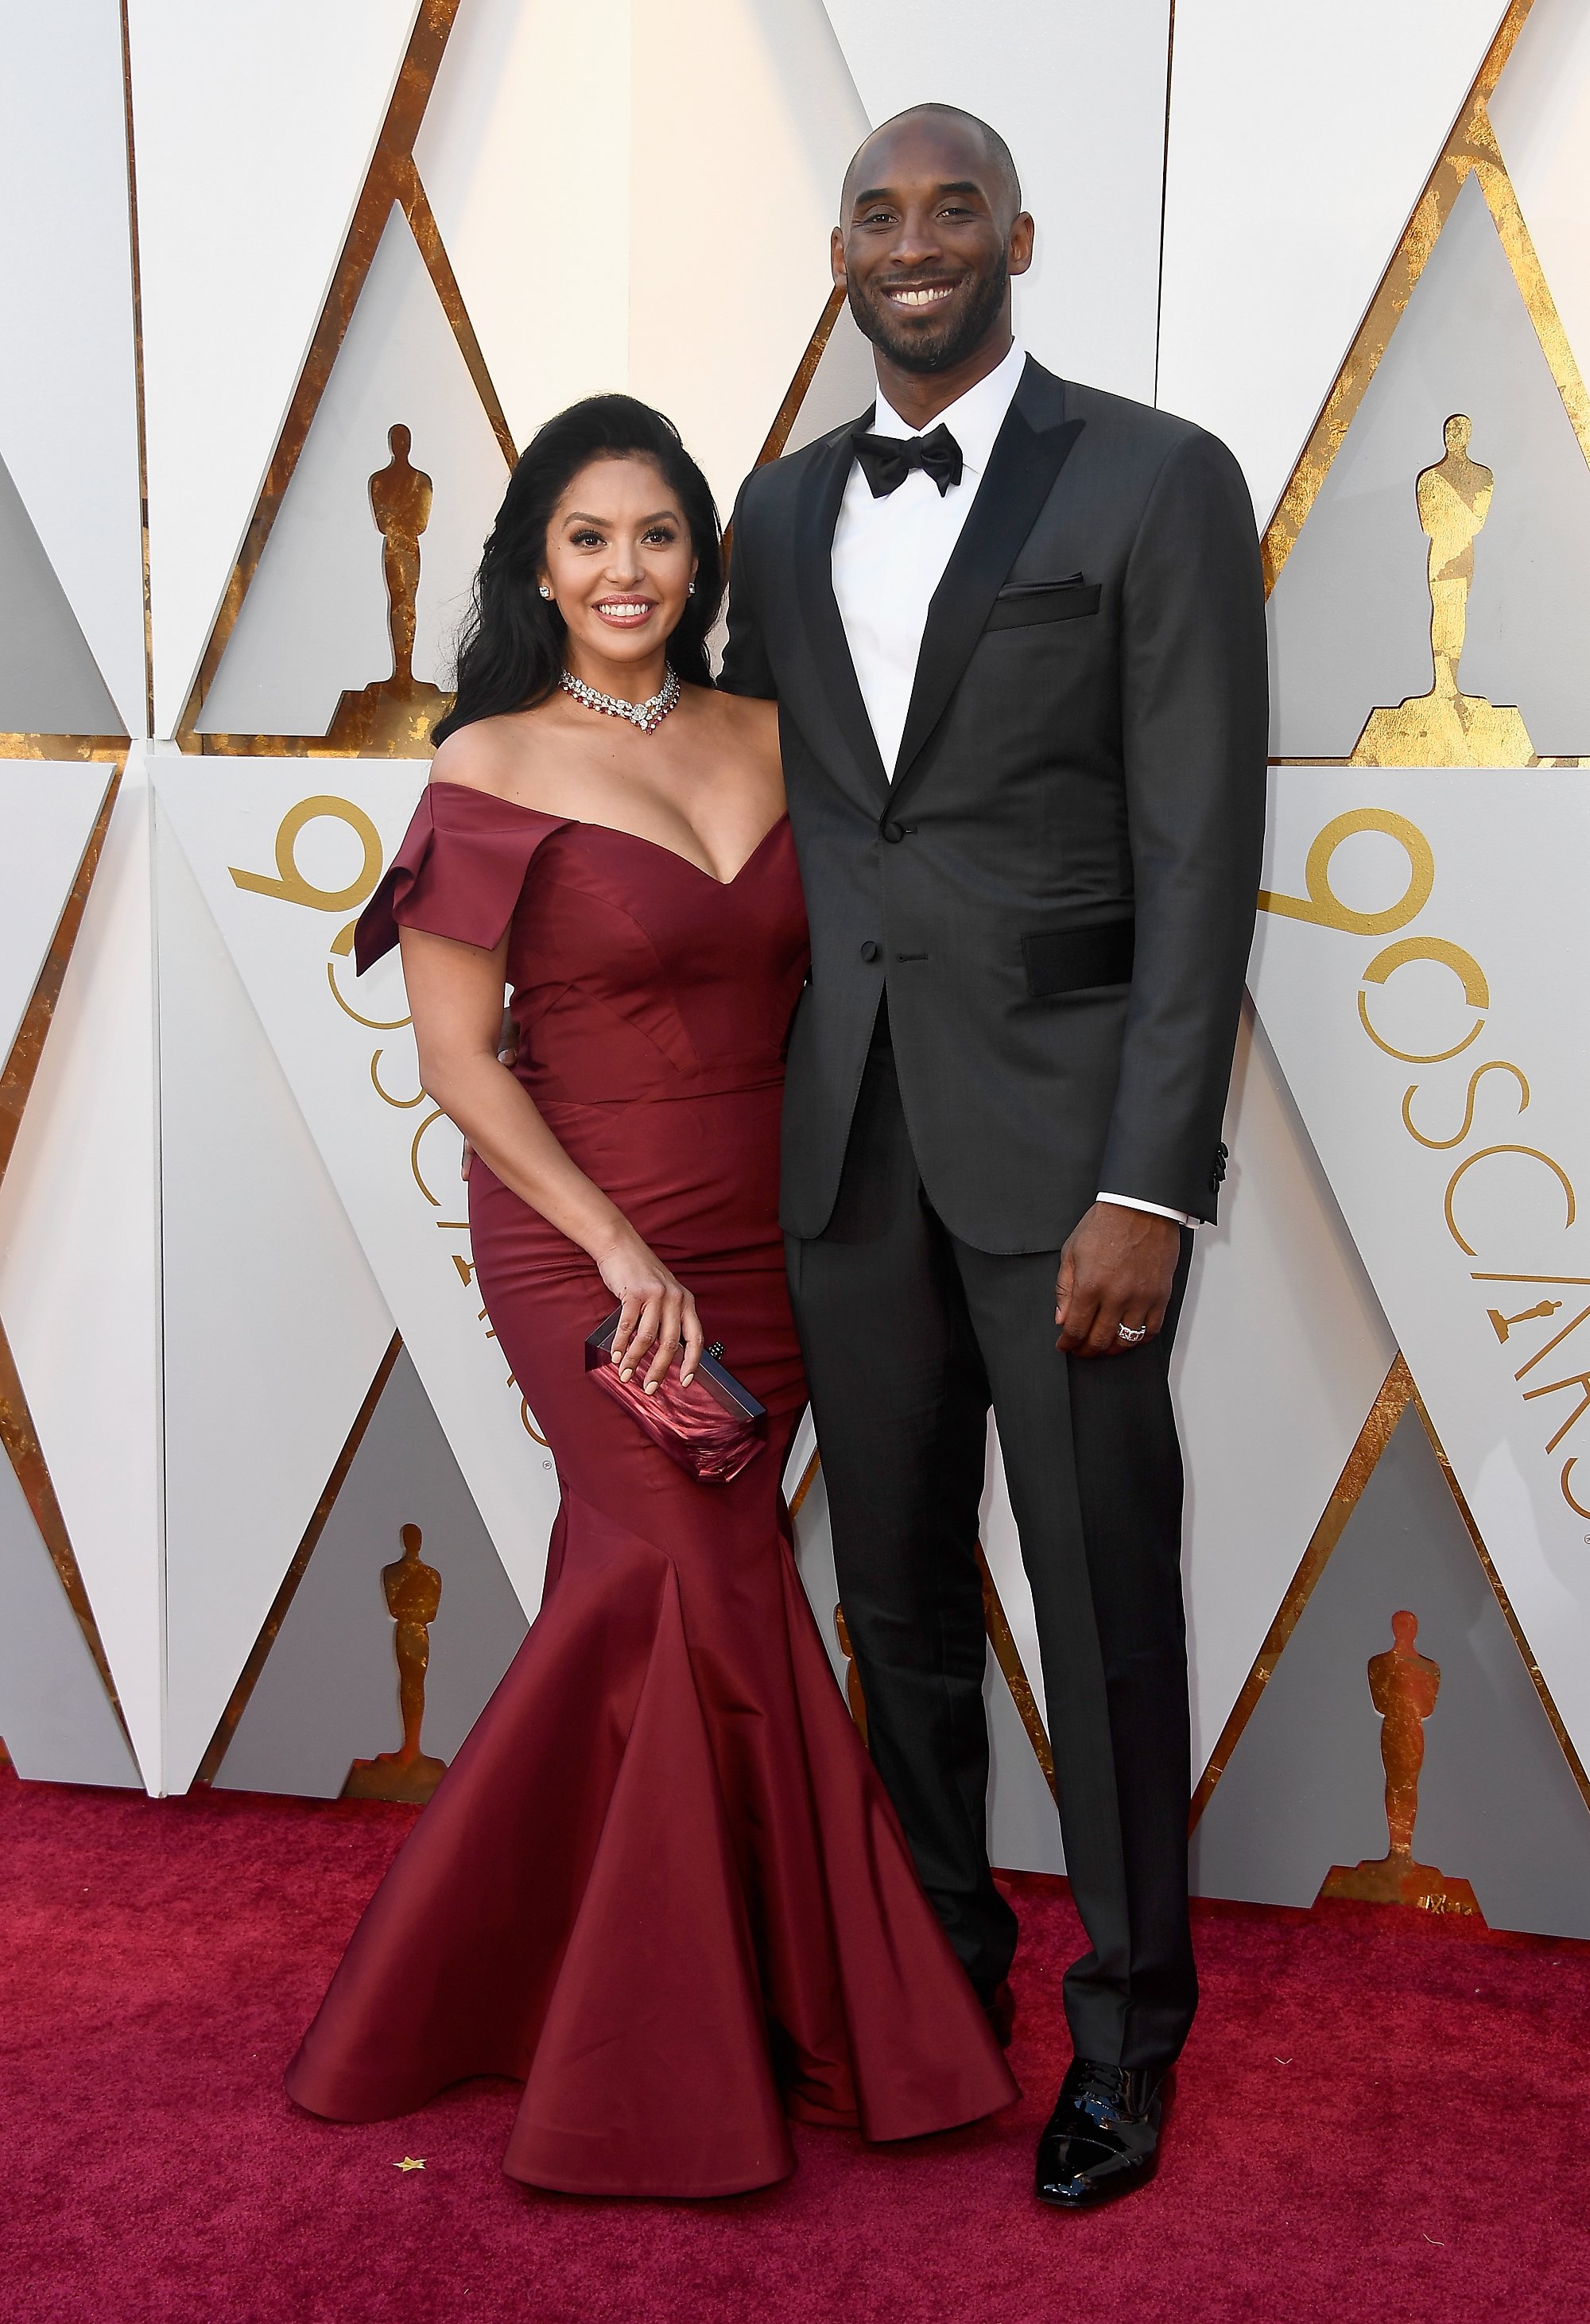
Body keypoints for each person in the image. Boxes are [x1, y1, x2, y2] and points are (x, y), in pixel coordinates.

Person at [285, 394, 1015, 2198]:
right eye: (589, 538)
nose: (626, 570)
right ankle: (713, 2043)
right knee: (690, 1571)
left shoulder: (782, 736)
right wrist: (615, 1252)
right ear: (537, 562)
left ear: (704, 558)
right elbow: (459, 1061)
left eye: (659, 535)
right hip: (585, 1241)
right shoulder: (486, 765)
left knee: (680, 1597)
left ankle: (573, 1982)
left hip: (780, 1237)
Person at [719, 106, 1268, 2209]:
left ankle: (1130, 2036)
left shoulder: (1155, 479)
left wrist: (1154, 1182)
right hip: (844, 1142)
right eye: (882, 213)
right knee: (898, 1605)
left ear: (1018, 235)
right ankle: (935, 1974)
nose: (919, 243)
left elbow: (1201, 854)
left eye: (957, 209)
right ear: (840, 250)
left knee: (1106, 1599)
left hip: (1071, 1167)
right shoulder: (773, 514)